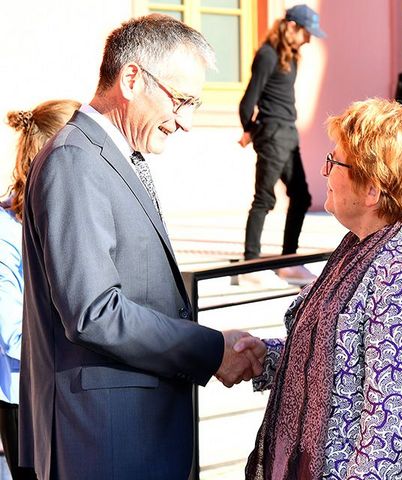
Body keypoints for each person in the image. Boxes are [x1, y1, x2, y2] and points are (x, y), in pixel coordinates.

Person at [19, 14, 265, 480]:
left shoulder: (106, 156)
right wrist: (210, 349)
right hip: (106, 443)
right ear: (132, 78)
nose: (187, 122)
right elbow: (95, 313)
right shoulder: (75, 159)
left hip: (132, 432)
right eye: (183, 100)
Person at [237, 98, 402, 479]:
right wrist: (268, 357)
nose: (323, 169)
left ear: (373, 188)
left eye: (335, 162)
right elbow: (340, 357)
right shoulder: (362, 241)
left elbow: (392, 420)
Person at [1, 100, 80, 480]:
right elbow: (11, 333)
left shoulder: (71, 213)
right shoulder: (4, 231)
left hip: (67, 392)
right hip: (24, 400)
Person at [238, 4, 326, 286]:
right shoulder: (267, 55)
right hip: (273, 134)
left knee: (301, 197)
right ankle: (250, 262)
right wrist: (252, 130)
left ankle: (289, 261)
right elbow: (247, 103)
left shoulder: (291, 57)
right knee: (264, 199)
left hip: (288, 133)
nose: (309, 39)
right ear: (290, 27)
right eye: (306, 33)